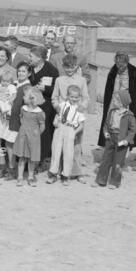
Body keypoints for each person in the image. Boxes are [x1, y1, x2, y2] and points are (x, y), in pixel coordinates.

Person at [51, 54, 89, 183]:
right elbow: (54, 97)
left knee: (76, 145)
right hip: (63, 114)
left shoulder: (81, 80)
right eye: (67, 67)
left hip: (76, 117)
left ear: (76, 66)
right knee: (58, 146)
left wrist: (80, 110)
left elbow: (86, 98)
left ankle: (77, 172)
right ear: (63, 67)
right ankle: (58, 172)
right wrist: (58, 108)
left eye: (72, 67)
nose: (69, 70)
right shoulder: (59, 80)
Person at [94, 90, 136, 188]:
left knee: (118, 162)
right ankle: (101, 179)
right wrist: (105, 132)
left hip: (121, 140)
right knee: (105, 160)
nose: (113, 101)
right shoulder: (112, 112)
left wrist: (127, 140)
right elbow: (106, 124)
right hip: (110, 138)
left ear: (122, 103)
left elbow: (133, 130)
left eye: (116, 100)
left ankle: (114, 182)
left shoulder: (129, 116)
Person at [99, 51, 136, 149]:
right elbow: (109, 88)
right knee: (110, 123)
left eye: (122, 65)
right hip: (113, 102)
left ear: (126, 62)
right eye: (118, 64)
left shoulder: (134, 72)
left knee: (125, 126)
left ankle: (123, 148)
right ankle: (109, 146)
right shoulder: (113, 71)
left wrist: (134, 106)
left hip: (126, 104)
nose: (119, 67)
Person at [47, 85, 86, 185]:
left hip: (70, 129)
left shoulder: (79, 109)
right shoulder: (62, 105)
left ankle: (65, 175)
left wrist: (74, 132)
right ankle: (53, 174)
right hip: (60, 128)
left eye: (76, 97)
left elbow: (81, 124)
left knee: (68, 153)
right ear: (68, 96)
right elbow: (57, 115)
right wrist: (55, 122)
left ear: (79, 97)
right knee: (56, 151)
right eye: (72, 97)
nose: (74, 99)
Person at [27, 46, 59, 165]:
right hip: (30, 105)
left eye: (31, 56)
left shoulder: (51, 70)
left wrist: (44, 88)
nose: (28, 58)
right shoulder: (28, 68)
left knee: (44, 132)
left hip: (46, 107)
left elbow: (56, 90)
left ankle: (43, 159)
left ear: (39, 58)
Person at [14, 87, 46, 187]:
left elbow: (42, 125)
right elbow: (21, 118)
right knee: (22, 158)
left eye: (34, 98)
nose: (24, 98)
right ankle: (20, 177)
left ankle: (30, 177)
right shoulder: (23, 109)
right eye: (29, 97)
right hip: (23, 135)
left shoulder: (39, 112)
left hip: (33, 137)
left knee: (31, 159)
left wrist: (37, 134)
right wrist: (23, 129)